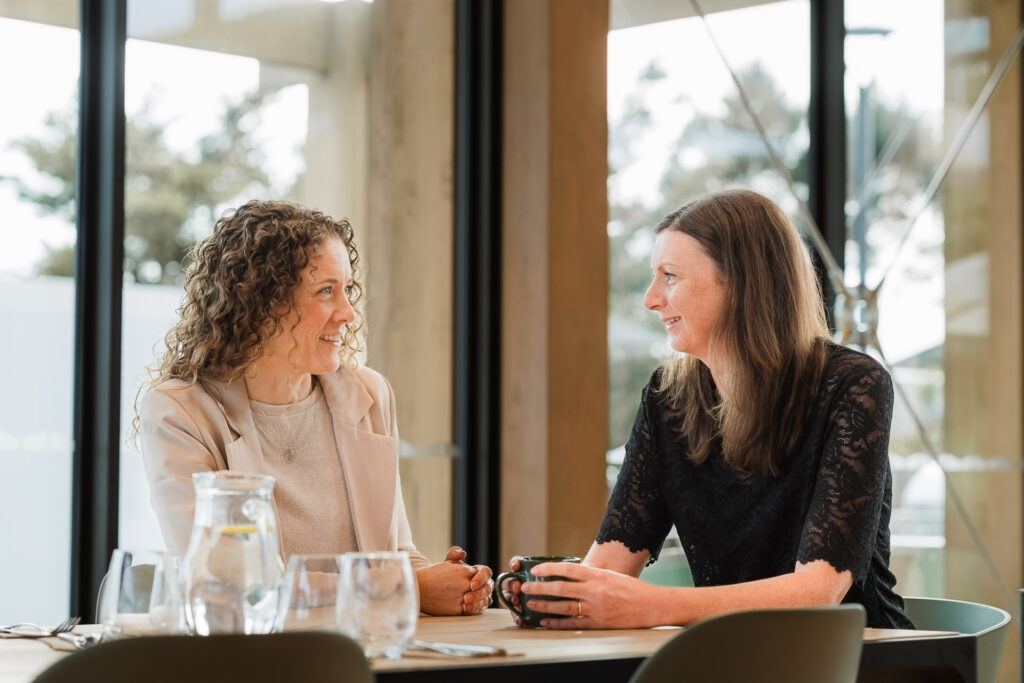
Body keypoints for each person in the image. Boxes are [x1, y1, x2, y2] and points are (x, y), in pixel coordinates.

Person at [505, 189, 913, 629]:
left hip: (857, 662)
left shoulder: (854, 384)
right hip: (731, 659)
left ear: (740, 282)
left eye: (670, 276)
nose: (650, 299)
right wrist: (558, 592)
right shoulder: (668, 398)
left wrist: (650, 606)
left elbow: (818, 592)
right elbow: (609, 566)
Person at [137, 199, 493, 616]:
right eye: (326, 291)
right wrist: (408, 587)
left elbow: (395, 555)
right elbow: (232, 581)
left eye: (348, 290)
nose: (349, 314)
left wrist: (448, 583)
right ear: (258, 301)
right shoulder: (178, 413)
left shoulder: (370, 394)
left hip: (358, 661)